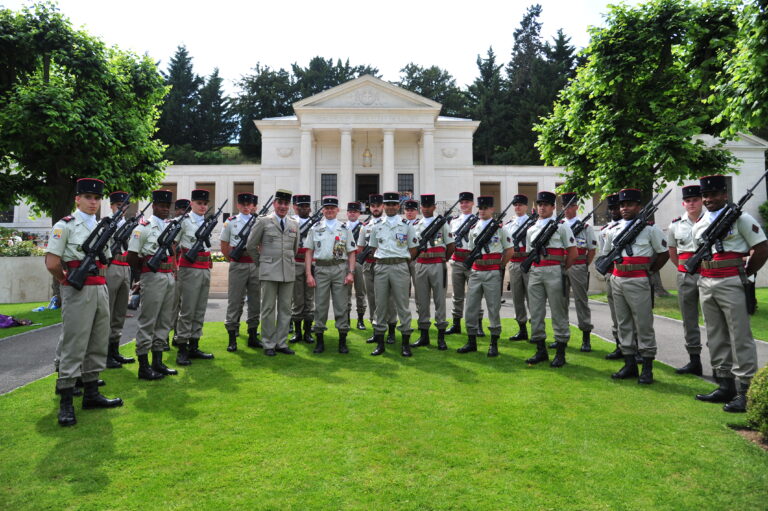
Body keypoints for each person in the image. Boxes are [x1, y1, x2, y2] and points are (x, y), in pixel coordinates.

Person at [45, 178, 123, 427]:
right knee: (74, 342)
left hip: (100, 287)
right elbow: (52, 262)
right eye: (88, 197)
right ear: (77, 199)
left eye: (97, 198)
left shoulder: (102, 227)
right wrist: (65, 281)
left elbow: (106, 259)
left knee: (98, 340)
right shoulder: (65, 225)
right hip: (77, 289)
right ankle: (66, 401)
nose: (93, 202)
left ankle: (91, 393)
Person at [692, 175, 768, 412]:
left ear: (725, 195)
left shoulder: (741, 219)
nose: (709, 199)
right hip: (706, 281)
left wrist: (745, 273)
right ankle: (725, 384)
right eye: (706, 195)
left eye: (714, 194)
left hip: (731, 281)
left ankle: (745, 389)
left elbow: (762, 248)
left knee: (740, 335)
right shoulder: (701, 223)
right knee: (715, 334)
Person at [601, 188, 669, 384]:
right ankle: (629, 364)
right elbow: (606, 254)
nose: (624, 208)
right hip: (617, 278)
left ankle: (647, 368)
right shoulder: (612, 230)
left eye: (629, 204)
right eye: (622, 205)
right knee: (623, 324)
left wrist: (649, 271)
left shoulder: (650, 229)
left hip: (638, 279)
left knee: (643, 323)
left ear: (639, 206)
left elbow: (663, 253)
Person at [126, 189, 179, 380]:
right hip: (153, 276)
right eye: (162, 206)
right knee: (148, 320)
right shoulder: (143, 228)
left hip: (167, 276)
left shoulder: (170, 227)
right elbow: (131, 256)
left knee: (165, 321)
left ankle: (158, 361)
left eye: (168, 206)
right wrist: (145, 270)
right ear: (154, 206)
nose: (165, 209)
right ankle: (143, 365)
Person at [522, 191, 577, 367]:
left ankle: (560, 352)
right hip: (536, 271)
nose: (542, 207)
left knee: (558, 312)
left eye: (546, 204)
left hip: (555, 270)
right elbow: (529, 253)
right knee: (536, 312)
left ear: (553, 207)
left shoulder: (561, 227)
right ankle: (540, 350)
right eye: (539, 204)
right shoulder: (531, 229)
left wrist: (560, 268)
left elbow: (573, 252)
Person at [457, 196, 513, 357]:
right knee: (471, 308)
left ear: (492, 210)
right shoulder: (473, 228)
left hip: (492, 272)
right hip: (475, 271)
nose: (482, 211)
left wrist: (501, 266)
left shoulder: (500, 228)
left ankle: (493, 343)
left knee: (493, 308)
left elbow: (509, 250)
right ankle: (471, 341)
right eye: (480, 208)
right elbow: (470, 250)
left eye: (486, 208)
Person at [246, 189, 299, 356]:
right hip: (269, 270)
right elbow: (251, 245)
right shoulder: (263, 221)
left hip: (287, 271)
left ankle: (281, 343)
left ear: (289, 205)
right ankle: (268, 343)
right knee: (268, 308)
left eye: (286, 203)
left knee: (285, 309)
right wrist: (261, 264)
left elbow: (295, 248)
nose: (283, 206)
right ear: (274, 204)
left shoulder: (293, 223)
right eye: (280, 203)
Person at [367, 191, 419, 356]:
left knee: (402, 305)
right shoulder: (376, 225)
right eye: (387, 204)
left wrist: (401, 261)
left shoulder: (406, 224)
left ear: (398, 206)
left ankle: (405, 343)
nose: (390, 207)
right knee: (380, 305)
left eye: (393, 204)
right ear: (384, 206)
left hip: (399, 266)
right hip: (381, 266)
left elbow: (413, 249)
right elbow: (373, 248)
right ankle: (380, 343)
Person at [305, 196, 357, 353]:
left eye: (332, 208)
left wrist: (351, 272)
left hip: (339, 269)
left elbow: (351, 252)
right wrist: (309, 274)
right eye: (326, 208)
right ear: (323, 210)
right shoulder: (315, 228)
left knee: (341, 305)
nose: (329, 211)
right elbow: (309, 252)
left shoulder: (345, 228)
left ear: (337, 210)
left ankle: (342, 341)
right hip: (321, 269)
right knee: (320, 305)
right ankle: (319, 340)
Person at [175, 189, 215, 366]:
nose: (203, 206)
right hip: (189, 268)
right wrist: (174, 266)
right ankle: (182, 348)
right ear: (191, 203)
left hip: (204, 268)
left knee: (199, 309)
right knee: (187, 310)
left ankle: (194, 345)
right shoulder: (183, 222)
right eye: (199, 203)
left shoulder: (206, 222)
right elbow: (172, 243)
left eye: (205, 203)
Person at [667, 185, 704, 375]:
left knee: (714, 320)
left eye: (695, 200)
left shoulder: (711, 221)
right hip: (685, 275)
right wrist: (684, 269)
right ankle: (694, 360)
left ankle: (721, 363)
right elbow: (673, 253)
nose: (691, 204)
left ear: (702, 200)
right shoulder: (675, 225)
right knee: (689, 319)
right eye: (688, 201)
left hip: (707, 274)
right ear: (683, 203)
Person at [411, 194, 455, 350]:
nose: (426, 209)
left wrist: (442, 259)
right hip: (421, 264)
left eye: (429, 206)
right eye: (424, 206)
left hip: (437, 264)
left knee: (440, 301)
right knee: (421, 301)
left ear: (434, 207)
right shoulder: (416, 225)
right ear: (421, 207)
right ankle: (424, 336)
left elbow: (451, 245)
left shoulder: (442, 224)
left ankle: (441, 337)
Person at [220, 192, 261, 352]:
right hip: (238, 264)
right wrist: (233, 259)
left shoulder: (258, 222)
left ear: (252, 206)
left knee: (255, 301)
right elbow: (224, 246)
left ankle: (252, 335)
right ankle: (232, 338)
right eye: (243, 204)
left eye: (249, 204)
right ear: (238, 205)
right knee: (235, 300)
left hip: (254, 264)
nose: (246, 207)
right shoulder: (230, 222)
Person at [559, 192, 597, 352]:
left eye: (569, 206)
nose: (566, 210)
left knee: (581, 301)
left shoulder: (585, 227)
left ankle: (586, 337)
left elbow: (592, 250)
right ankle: (562, 336)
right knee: (561, 301)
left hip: (578, 266)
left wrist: (581, 265)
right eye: (564, 207)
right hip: (560, 266)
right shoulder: (559, 225)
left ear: (575, 207)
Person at [357, 194, 397, 344]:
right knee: (372, 298)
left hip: (386, 263)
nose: (375, 208)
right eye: (373, 206)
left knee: (390, 297)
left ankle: (392, 330)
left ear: (383, 207)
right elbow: (360, 248)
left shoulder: (390, 223)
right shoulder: (365, 226)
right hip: (369, 265)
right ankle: (377, 329)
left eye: (378, 206)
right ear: (370, 207)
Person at [104, 191, 136, 368]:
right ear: (111, 205)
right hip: (112, 266)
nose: (121, 209)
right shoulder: (107, 222)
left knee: (120, 312)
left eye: (124, 206)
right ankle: (104, 353)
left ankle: (115, 349)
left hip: (125, 267)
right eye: (118, 205)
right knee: (108, 311)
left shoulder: (127, 223)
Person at [447, 192, 485, 336]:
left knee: (475, 294)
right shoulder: (453, 221)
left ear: (472, 204)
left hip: (472, 260)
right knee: (457, 295)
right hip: (457, 260)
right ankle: (456, 323)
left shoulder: (477, 220)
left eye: (467, 202)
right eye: (462, 202)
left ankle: (478, 324)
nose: (464, 205)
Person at [600, 193, 625, 360]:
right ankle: (619, 344)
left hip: (631, 274)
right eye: (611, 208)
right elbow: (604, 254)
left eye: (617, 207)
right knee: (616, 313)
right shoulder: (606, 231)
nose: (614, 211)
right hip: (612, 274)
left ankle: (633, 345)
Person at [504, 194, 532, 341]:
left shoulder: (533, 223)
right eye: (515, 205)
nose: (518, 207)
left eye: (521, 204)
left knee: (532, 296)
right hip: (514, 263)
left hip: (529, 263)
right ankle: (522, 329)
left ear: (526, 207)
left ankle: (536, 329)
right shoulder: (509, 224)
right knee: (517, 297)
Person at [290, 194, 315, 344]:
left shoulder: (316, 224)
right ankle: (297, 332)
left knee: (309, 299)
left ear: (310, 208)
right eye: (301, 206)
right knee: (297, 299)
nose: (304, 209)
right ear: (296, 208)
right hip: (295, 263)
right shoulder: (291, 223)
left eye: (306, 206)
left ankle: (307, 332)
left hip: (311, 264)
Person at [168, 198, 190, 349]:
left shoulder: (187, 224)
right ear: (176, 210)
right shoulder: (172, 224)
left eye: (186, 210)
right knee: (172, 306)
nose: (183, 212)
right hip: (173, 269)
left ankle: (178, 335)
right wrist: (174, 267)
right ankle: (164, 338)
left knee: (183, 305)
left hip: (185, 269)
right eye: (181, 209)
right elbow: (172, 247)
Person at [345, 202, 367, 330]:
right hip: (346, 262)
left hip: (358, 262)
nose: (352, 213)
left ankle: (360, 319)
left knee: (360, 292)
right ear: (347, 213)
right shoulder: (342, 227)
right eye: (350, 211)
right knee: (346, 292)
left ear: (359, 213)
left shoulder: (363, 227)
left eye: (355, 211)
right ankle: (347, 318)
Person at [403, 199, 420, 294]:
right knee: (404, 286)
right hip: (403, 258)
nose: (409, 212)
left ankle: (419, 307)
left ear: (416, 211)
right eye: (407, 210)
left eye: (412, 210)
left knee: (418, 285)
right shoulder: (400, 224)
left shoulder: (420, 224)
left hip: (416, 259)